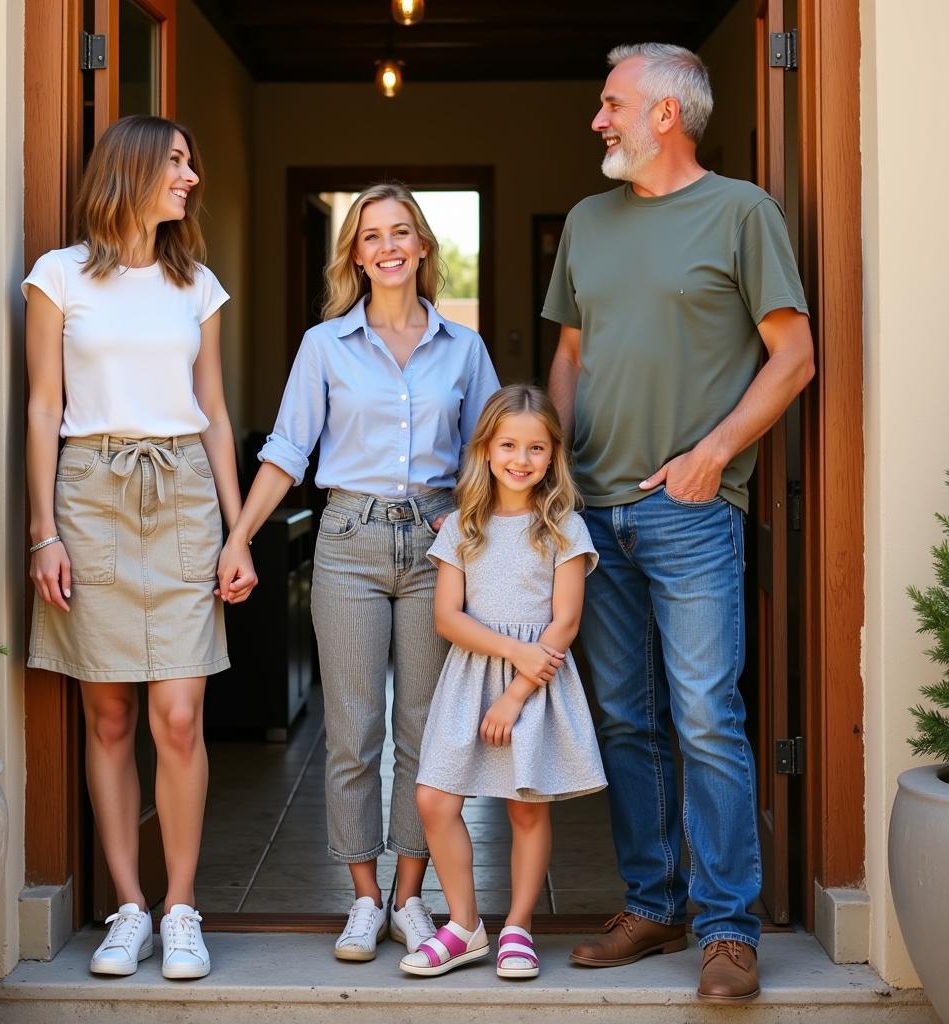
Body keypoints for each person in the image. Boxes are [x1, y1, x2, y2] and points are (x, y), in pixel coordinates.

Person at [542, 43, 815, 1003]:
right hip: (596, 513)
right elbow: (572, 353)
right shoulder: (587, 220)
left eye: (611, 103)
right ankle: (654, 904)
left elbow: (793, 357)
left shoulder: (743, 213)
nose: (598, 120)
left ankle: (730, 927)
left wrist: (712, 456)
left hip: (691, 514)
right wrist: (560, 473)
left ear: (666, 114)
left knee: (706, 717)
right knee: (626, 717)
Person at [216, 182, 499, 962]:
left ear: (423, 246)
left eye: (400, 231)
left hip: (436, 547)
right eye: (371, 235)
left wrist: (469, 524)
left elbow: (491, 453)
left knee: (423, 731)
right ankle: (364, 899)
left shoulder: (463, 348)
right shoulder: (325, 345)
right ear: (356, 255)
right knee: (352, 733)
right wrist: (240, 536)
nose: (387, 246)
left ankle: (411, 898)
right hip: (347, 540)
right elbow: (286, 451)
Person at [24, 115, 251, 980]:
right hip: (90, 494)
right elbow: (44, 408)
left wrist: (238, 532)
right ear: (133, 170)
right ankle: (129, 908)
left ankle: (180, 906)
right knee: (109, 714)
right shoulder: (58, 277)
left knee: (180, 715)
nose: (191, 177)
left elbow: (218, 415)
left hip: (185, 494)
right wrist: (43, 530)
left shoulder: (198, 287)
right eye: (178, 163)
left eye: (192, 163)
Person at [399, 385, 606, 979]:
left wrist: (518, 690)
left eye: (536, 448)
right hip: (472, 675)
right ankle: (464, 925)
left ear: (553, 456)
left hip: (537, 682)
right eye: (509, 444)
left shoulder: (562, 525)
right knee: (434, 798)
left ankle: (518, 926)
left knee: (526, 804)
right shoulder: (463, 524)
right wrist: (512, 651)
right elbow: (447, 617)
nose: (522, 458)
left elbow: (565, 621)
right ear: (486, 450)